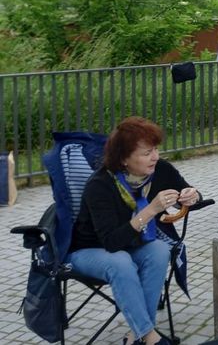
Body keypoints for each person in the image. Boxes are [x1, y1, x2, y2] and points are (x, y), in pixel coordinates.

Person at [68, 117, 202, 345]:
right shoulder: (100, 185)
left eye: (156, 149)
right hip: (90, 250)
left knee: (159, 249)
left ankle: (136, 337)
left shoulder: (160, 170)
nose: (155, 157)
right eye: (146, 153)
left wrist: (192, 196)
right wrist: (151, 210)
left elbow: (189, 198)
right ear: (124, 159)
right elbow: (111, 242)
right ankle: (149, 336)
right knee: (119, 261)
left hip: (133, 245)